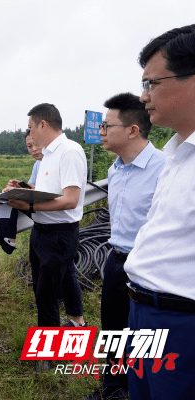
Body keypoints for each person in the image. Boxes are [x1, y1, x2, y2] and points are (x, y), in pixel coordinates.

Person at [122, 24, 195, 399]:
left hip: (181, 322)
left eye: (153, 83)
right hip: (143, 313)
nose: (144, 95)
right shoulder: (175, 154)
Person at [83, 93, 165, 400]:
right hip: (115, 260)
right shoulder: (115, 169)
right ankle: (112, 389)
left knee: (142, 337)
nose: (101, 132)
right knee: (114, 331)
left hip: (146, 265)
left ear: (132, 130)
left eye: (107, 126)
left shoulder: (163, 168)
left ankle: (136, 390)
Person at [6, 103, 87, 372]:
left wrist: (29, 206)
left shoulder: (70, 151)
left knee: (48, 295)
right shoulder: (48, 157)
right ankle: (50, 352)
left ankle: (51, 357)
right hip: (41, 232)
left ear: (43, 125)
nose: (30, 135)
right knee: (42, 293)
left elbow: (70, 199)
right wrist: (25, 189)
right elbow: (47, 191)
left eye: (31, 127)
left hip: (59, 235)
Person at [0, 130, 42, 254]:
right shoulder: (37, 164)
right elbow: (32, 187)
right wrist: (19, 187)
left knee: (12, 199)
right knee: (10, 195)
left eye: (36, 144)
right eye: (29, 146)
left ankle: (9, 240)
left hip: (46, 207)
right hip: (37, 202)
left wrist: (22, 190)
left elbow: (47, 191)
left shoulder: (53, 161)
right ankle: (9, 241)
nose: (33, 149)